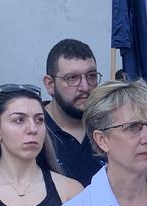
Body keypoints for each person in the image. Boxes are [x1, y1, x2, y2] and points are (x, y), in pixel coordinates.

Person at [43, 39, 106, 187]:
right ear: (50, 84)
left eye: (91, 76)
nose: (85, 87)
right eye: (72, 78)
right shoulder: (33, 131)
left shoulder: (109, 127)